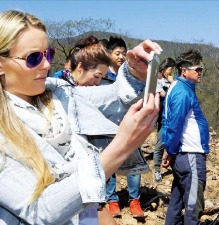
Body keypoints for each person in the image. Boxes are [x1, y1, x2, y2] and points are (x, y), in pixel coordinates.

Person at [0, 10, 161, 225]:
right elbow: (41, 211)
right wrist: (121, 147)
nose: (46, 65)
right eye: (33, 58)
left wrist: (136, 72)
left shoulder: (60, 92)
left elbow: (112, 96)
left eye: (48, 54)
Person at [52, 35, 116, 225]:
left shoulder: (84, 94)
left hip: (89, 176)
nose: (97, 83)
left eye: (101, 79)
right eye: (96, 77)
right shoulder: (56, 89)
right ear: (80, 68)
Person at [100, 36, 147, 219]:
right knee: (110, 163)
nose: (120, 56)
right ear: (109, 54)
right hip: (107, 127)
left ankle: (134, 201)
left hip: (130, 126)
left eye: (123, 53)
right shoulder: (102, 77)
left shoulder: (130, 78)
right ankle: (112, 201)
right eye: (116, 53)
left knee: (133, 165)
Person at [162, 50, 209, 225]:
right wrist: (171, 150)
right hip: (191, 156)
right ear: (184, 70)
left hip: (183, 156)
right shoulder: (183, 92)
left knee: (177, 202)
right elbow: (174, 125)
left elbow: (169, 124)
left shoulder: (177, 87)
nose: (200, 73)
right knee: (193, 209)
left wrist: (170, 150)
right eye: (197, 69)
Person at [153, 57, 176, 182]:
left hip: (173, 116)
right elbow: (166, 96)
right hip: (163, 117)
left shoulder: (172, 81)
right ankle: (157, 170)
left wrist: (173, 82)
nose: (171, 72)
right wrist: (172, 84)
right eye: (170, 69)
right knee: (160, 144)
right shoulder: (157, 80)